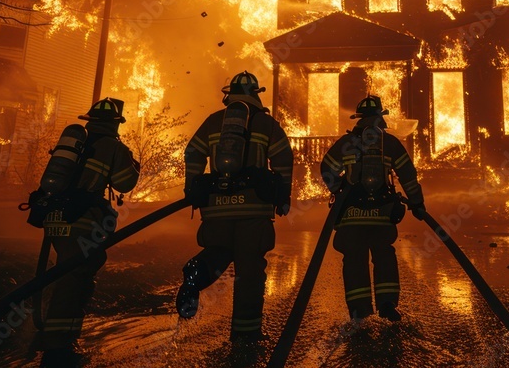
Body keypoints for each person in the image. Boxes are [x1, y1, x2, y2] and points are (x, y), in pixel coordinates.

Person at [176, 71, 293, 342]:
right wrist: (282, 197)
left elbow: (193, 152)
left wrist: (192, 187)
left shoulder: (213, 122)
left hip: (216, 209)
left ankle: (198, 272)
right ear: (255, 95)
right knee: (249, 271)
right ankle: (246, 335)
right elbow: (283, 159)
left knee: (218, 252)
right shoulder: (266, 123)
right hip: (253, 211)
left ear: (229, 95)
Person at [35, 97, 140, 367]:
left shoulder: (75, 144)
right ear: (115, 124)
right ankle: (56, 348)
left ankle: (63, 336)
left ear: (90, 120)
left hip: (57, 220)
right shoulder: (112, 147)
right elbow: (125, 182)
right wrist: (134, 165)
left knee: (77, 273)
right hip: (81, 223)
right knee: (72, 279)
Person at [320, 95, 425, 322]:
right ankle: (387, 305)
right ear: (380, 116)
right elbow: (408, 176)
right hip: (381, 214)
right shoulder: (390, 143)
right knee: (384, 255)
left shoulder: (346, 144)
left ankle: (360, 312)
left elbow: (326, 168)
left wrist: (340, 190)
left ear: (359, 119)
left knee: (355, 260)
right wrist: (417, 204)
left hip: (351, 217)